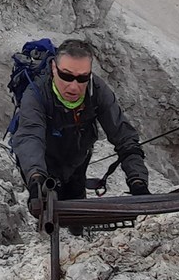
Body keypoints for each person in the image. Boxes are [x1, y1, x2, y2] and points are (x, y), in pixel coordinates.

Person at [11, 38, 151, 231]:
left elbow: (123, 135)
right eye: (67, 76)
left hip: (77, 161)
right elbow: (29, 136)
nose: (74, 87)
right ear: (53, 68)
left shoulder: (97, 91)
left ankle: (78, 233)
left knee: (76, 206)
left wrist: (137, 180)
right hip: (45, 164)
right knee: (48, 210)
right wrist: (36, 177)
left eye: (82, 78)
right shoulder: (36, 94)